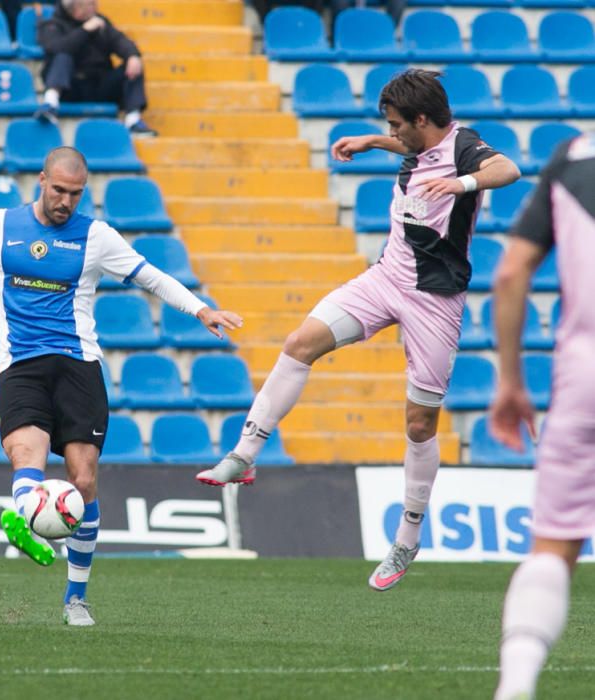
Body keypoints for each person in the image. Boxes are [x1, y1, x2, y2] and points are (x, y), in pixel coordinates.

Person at [196, 69, 521, 591]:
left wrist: (461, 183)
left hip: (435, 301)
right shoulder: (417, 143)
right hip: (386, 276)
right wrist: (374, 141)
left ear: (422, 120)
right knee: (301, 342)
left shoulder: (463, 146)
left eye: (396, 125)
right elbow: (414, 150)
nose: (393, 133)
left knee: (419, 425)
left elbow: (509, 169)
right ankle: (246, 453)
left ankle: (407, 537)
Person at [0, 146, 242, 625]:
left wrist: (200, 309)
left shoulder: (96, 236)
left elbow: (150, 276)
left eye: (75, 194)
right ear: (41, 180)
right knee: (25, 454)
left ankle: (74, 597)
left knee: (82, 479)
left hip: (78, 366)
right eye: (58, 190)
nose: (65, 201)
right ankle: (26, 519)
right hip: (21, 365)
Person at [490, 134, 595, 699]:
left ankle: (517, 686)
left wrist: (510, 382)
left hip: (584, 383)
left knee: (553, 549)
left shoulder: (573, 155)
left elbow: (509, 274)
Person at [35, 0, 156, 136]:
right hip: (69, 88)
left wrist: (133, 55)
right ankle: (50, 104)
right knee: (63, 55)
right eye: (89, 4)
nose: (94, 7)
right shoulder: (52, 24)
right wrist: (84, 31)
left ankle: (133, 120)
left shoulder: (101, 22)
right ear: (75, 8)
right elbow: (55, 48)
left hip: (98, 85)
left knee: (134, 64)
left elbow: (120, 41)